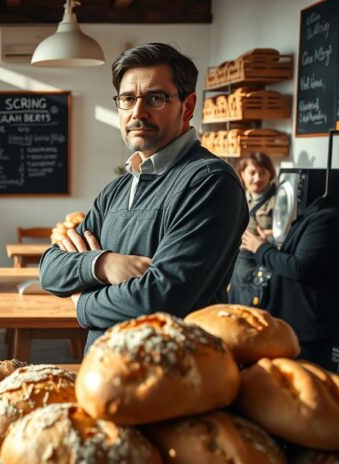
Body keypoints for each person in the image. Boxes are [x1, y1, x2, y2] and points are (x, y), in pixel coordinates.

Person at [39, 42, 248, 350]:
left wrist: (83, 302)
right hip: (103, 370)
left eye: (155, 98)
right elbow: (49, 268)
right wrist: (102, 264)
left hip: (174, 373)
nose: (138, 112)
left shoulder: (209, 182)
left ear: (188, 106)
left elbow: (159, 298)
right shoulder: (117, 189)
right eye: (127, 98)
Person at [241, 184, 339, 371]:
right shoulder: (321, 211)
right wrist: (276, 242)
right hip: (297, 326)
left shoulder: (327, 217)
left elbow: (300, 268)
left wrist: (260, 248)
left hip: (308, 331)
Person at [229, 152, 277, 305]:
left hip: (265, 264)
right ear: (242, 174)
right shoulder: (237, 196)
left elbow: (292, 233)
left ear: (270, 174)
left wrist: (273, 237)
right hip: (239, 266)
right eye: (252, 173)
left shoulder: (280, 200)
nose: (257, 178)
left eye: (262, 173)